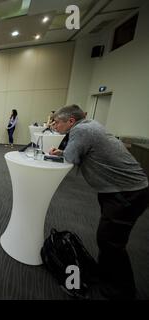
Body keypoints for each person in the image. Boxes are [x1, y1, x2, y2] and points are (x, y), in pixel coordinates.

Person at [49, 104, 148, 300]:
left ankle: (120, 291)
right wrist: (61, 152)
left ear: (70, 121)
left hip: (126, 192)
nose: (54, 125)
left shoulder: (81, 130)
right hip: (125, 189)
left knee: (110, 242)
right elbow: (78, 153)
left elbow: (71, 158)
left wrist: (64, 153)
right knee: (109, 239)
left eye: (57, 122)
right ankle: (109, 278)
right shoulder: (90, 125)